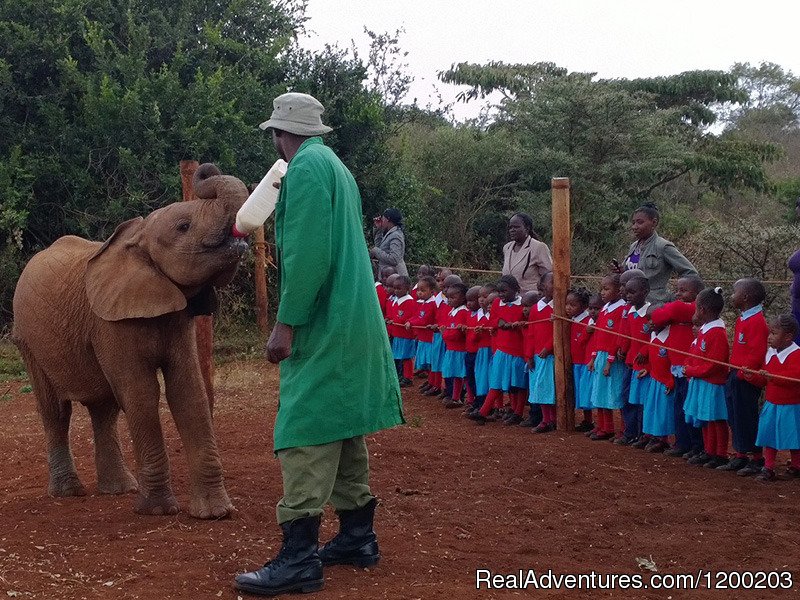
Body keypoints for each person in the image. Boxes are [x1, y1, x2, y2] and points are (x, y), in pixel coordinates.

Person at [234, 92, 403, 597]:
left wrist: (286, 325)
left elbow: (308, 255)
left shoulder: (303, 169)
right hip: (354, 319)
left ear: (279, 134)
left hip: (325, 322)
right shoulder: (334, 166)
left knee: (303, 426)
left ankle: (299, 556)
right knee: (344, 423)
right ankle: (357, 537)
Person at [649, 276, 705, 459]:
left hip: (686, 366)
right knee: (679, 405)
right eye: (678, 290)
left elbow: (658, 315)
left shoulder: (687, 308)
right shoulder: (685, 308)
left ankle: (693, 445)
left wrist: (667, 311)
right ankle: (683, 442)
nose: (678, 294)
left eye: (683, 290)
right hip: (677, 365)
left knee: (687, 406)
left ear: (696, 294)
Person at [720, 279, 768, 475]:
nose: (732, 296)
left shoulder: (758, 322)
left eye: (735, 292)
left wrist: (742, 373)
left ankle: (756, 458)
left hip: (745, 378)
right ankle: (740, 455)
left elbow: (757, 353)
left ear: (746, 297)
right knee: (735, 416)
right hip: (735, 374)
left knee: (747, 416)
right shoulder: (743, 319)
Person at [747, 315, 800, 482]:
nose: (769, 337)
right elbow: (764, 380)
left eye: (774, 333)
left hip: (791, 405)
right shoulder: (770, 353)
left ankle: (797, 466)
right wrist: (751, 376)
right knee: (768, 436)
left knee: (795, 438)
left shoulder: (797, 354)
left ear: (788, 336)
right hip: (772, 403)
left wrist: (771, 376)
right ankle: (768, 467)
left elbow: (793, 378)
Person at [683, 287, 730, 469]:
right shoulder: (706, 330)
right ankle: (709, 451)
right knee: (705, 419)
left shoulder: (717, 333)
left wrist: (692, 371)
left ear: (702, 309)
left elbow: (714, 364)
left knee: (716, 420)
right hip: (702, 382)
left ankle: (720, 454)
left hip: (713, 384)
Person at [615, 203, 697, 305]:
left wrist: (673, 296)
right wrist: (622, 271)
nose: (634, 227)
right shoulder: (634, 246)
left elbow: (690, 272)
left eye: (640, 222)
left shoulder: (663, 246)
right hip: (631, 304)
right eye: (633, 223)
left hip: (653, 305)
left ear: (654, 223)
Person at [471, 275, 528, 424]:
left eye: (505, 291)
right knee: (496, 382)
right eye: (500, 291)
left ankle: (518, 412)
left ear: (516, 290)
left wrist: (517, 324)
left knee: (518, 384)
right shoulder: (497, 303)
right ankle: (484, 411)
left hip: (517, 351)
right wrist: (501, 322)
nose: (502, 294)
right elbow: (493, 319)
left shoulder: (522, 304)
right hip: (501, 350)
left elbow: (527, 322)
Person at [587, 274, 627, 441]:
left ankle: (623, 429)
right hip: (600, 356)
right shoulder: (605, 308)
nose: (602, 292)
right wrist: (593, 357)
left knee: (615, 393)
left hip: (612, 359)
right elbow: (598, 336)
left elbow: (617, 337)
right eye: (601, 289)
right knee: (600, 393)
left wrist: (610, 361)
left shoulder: (622, 309)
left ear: (618, 290)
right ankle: (604, 426)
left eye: (606, 289)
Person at [619, 276, 651, 447]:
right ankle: (630, 432)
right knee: (628, 398)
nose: (628, 295)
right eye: (627, 291)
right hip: (631, 363)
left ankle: (643, 434)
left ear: (645, 292)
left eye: (632, 292)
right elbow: (627, 336)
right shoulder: (630, 311)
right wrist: (622, 350)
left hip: (645, 365)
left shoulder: (650, 312)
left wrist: (645, 351)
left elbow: (653, 337)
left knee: (642, 401)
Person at [527, 273, 557, 433]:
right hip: (538, 355)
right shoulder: (536, 308)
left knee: (550, 388)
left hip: (550, 355)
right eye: (551, 282)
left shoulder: (558, 307)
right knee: (540, 387)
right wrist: (529, 355)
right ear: (542, 286)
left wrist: (548, 347)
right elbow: (530, 333)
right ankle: (546, 419)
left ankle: (552, 419)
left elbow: (558, 332)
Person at [502, 212, 553, 294]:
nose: (512, 230)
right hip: (510, 299)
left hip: (530, 299)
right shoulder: (507, 248)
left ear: (527, 228)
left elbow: (548, 276)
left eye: (516, 227)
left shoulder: (539, 247)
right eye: (510, 227)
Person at [441, 283, 470, 408]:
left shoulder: (462, 312)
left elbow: (456, 334)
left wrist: (444, 334)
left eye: (453, 297)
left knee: (463, 375)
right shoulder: (452, 311)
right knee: (456, 375)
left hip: (460, 350)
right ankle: (455, 397)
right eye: (448, 297)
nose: (450, 300)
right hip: (452, 349)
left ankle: (467, 398)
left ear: (463, 298)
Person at [408, 276, 438, 394]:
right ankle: (431, 382)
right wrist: (411, 320)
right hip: (423, 338)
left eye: (422, 290)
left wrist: (411, 322)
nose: (419, 292)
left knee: (431, 363)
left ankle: (434, 384)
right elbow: (417, 316)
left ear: (431, 291)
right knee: (427, 363)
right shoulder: (424, 303)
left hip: (430, 339)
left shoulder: (432, 303)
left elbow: (424, 320)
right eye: (418, 290)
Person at [386, 275, 417, 387]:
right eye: (395, 288)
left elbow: (413, 316)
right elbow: (392, 314)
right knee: (398, 356)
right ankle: (400, 375)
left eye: (399, 288)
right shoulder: (395, 300)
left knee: (406, 357)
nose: (396, 291)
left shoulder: (410, 301)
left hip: (406, 335)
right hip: (397, 334)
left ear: (407, 288)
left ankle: (408, 377)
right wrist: (389, 319)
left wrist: (407, 322)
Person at [370, 208, 408, 277]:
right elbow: (379, 246)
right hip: (387, 276)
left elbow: (394, 259)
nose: (382, 220)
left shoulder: (396, 235)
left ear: (388, 219)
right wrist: (378, 229)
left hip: (395, 279)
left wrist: (376, 251)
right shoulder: (390, 233)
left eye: (383, 218)